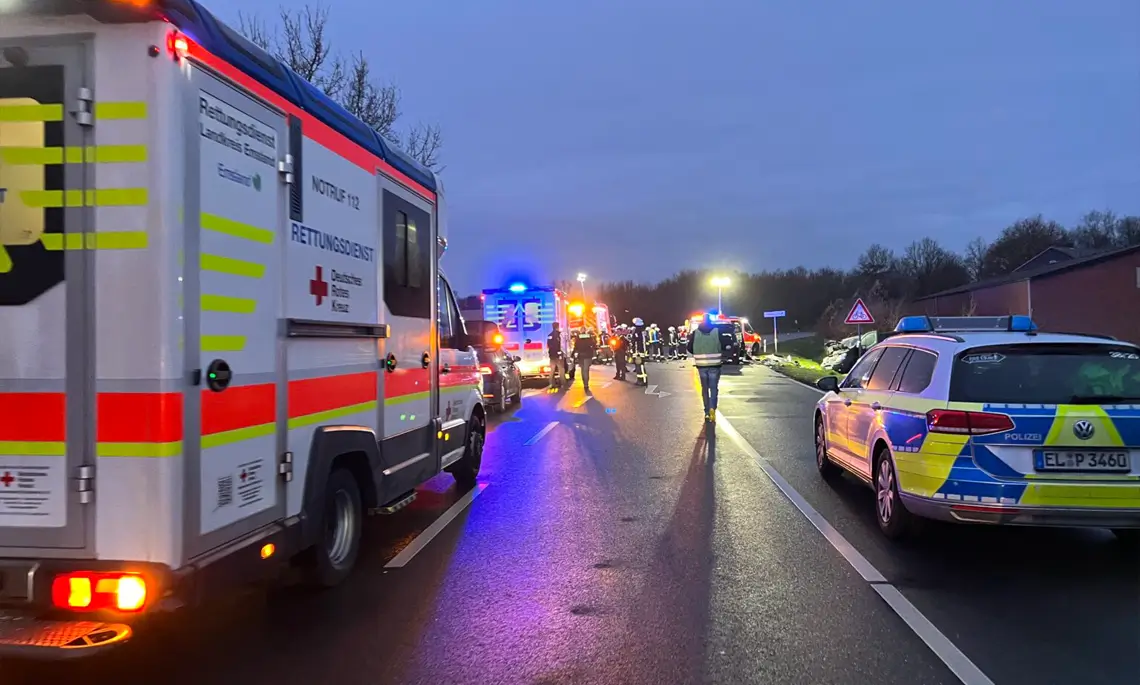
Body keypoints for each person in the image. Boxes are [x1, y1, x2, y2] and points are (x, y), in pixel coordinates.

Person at [688, 312, 726, 422]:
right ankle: (712, 409)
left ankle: (706, 412)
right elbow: (723, 345)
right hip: (715, 365)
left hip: (701, 366)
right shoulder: (717, 331)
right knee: (713, 388)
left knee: (705, 389)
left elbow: (689, 347)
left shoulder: (695, 333)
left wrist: (699, 351)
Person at [572, 326, 597, 392]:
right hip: (588, 356)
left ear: (580, 330)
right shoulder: (589, 336)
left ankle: (584, 383)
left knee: (582, 370)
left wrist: (573, 354)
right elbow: (593, 344)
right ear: (585, 330)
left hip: (581, 356)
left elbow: (575, 346)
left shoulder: (578, 337)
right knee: (586, 370)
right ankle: (586, 384)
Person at [547, 321, 566, 390]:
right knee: (561, 369)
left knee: (552, 370)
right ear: (557, 327)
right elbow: (558, 345)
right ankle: (563, 384)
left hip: (552, 355)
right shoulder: (558, 335)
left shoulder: (549, 335)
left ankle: (551, 383)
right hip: (557, 355)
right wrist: (559, 353)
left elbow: (549, 345)